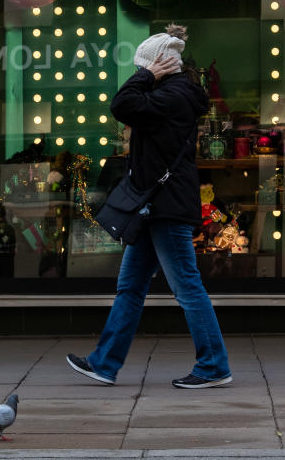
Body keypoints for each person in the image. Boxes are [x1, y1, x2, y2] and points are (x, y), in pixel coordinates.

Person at [67, 23, 232, 389]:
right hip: (153, 206)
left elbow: (121, 105)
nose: (139, 74)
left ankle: (214, 365)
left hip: (165, 207)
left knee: (187, 287)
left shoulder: (172, 95)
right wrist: (147, 75)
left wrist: (144, 75)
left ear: (160, 66)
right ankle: (104, 363)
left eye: (144, 67)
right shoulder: (172, 94)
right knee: (130, 287)